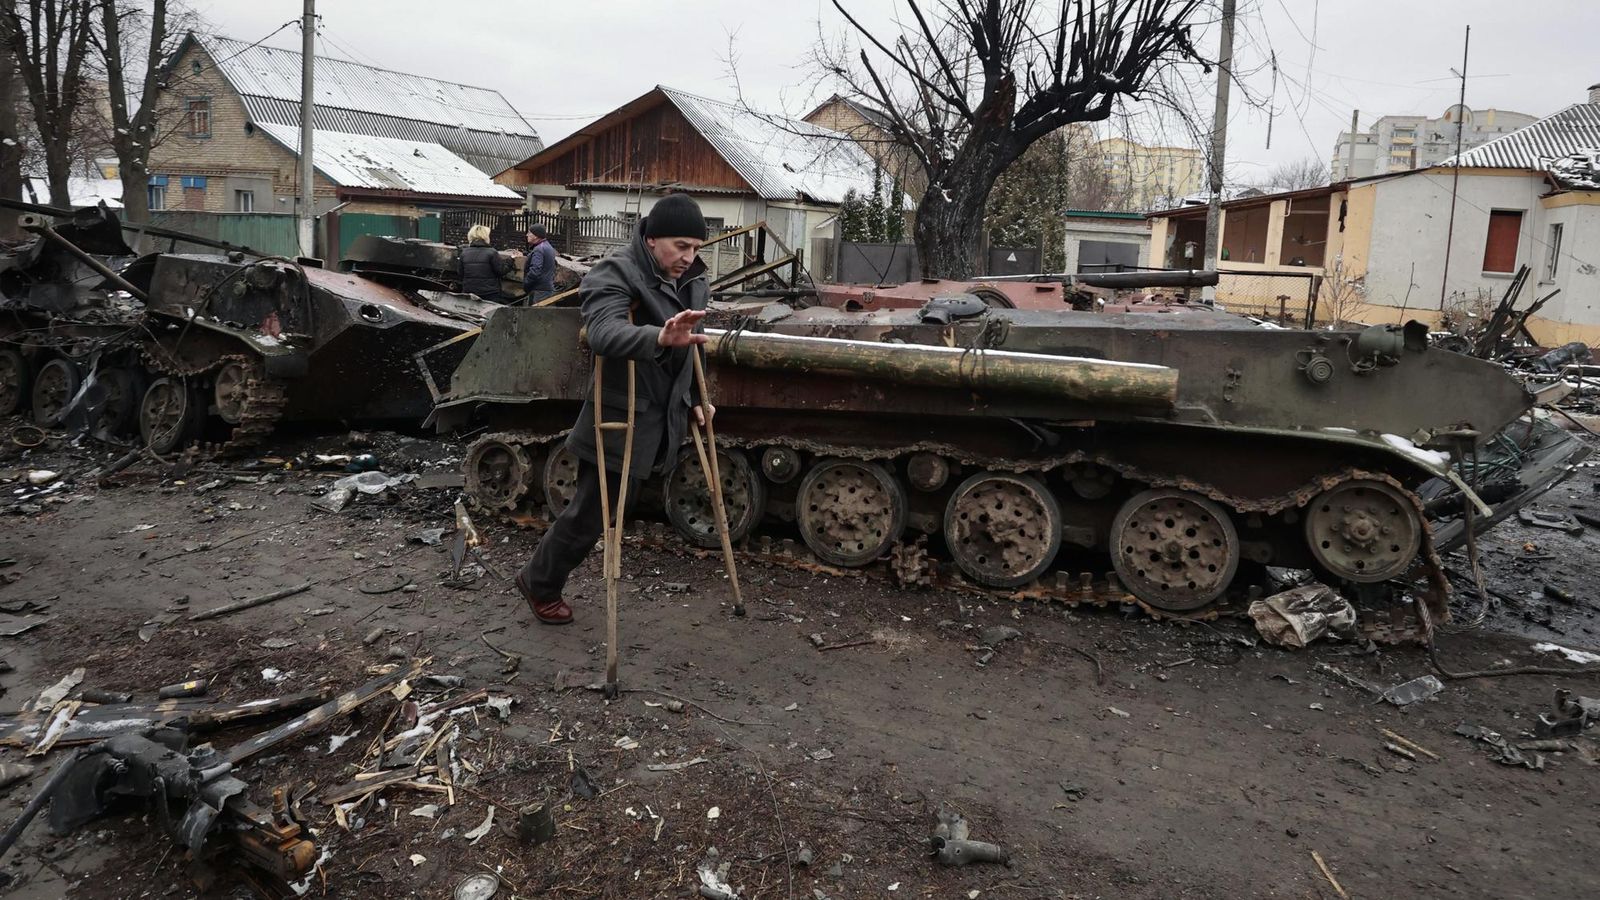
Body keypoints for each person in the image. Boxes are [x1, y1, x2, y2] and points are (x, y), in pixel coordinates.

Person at [515, 194, 712, 625]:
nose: (689, 256)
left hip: (665, 415)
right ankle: (539, 581)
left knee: (610, 511)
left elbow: (693, 346)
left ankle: (541, 577)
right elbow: (603, 332)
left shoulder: (695, 279)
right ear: (653, 237)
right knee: (591, 514)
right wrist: (658, 337)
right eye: (681, 245)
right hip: (621, 417)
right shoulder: (616, 271)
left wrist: (698, 398)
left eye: (697, 247)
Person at [458, 224, 509, 302]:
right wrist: (511, 260)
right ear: (486, 236)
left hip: (469, 291)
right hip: (490, 293)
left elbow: (460, 273)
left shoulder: (464, 253)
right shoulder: (492, 252)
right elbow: (501, 271)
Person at [523, 224, 558, 303]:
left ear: (536, 236)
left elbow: (535, 271)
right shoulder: (547, 246)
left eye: (529, 233)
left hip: (539, 290)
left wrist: (526, 284)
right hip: (545, 289)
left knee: (535, 314)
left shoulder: (539, 249)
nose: (527, 235)